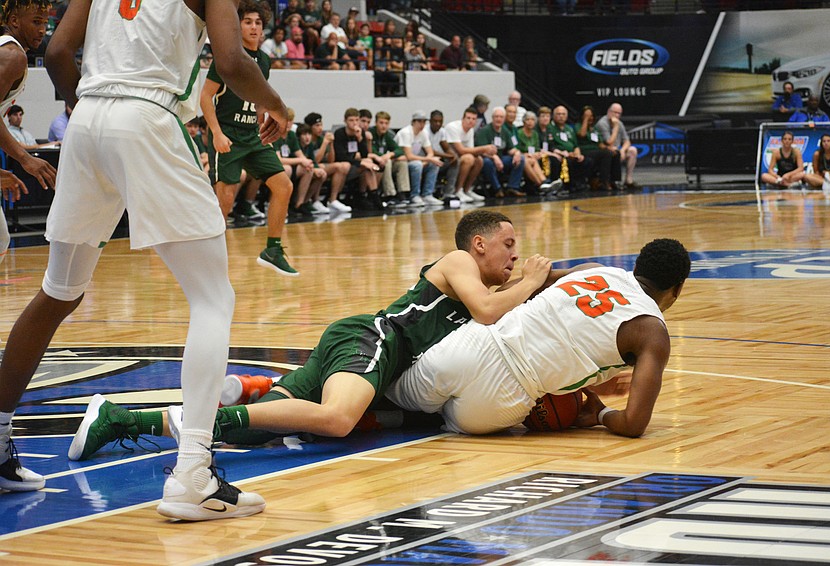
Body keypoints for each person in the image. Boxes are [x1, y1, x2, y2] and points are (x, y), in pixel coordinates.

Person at [0, 0, 289, 519]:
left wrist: (89, 106)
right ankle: (193, 475)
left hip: (86, 118)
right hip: (148, 117)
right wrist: (278, 105)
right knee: (212, 299)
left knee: (58, 291)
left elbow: (59, 50)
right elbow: (230, 61)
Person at [70, 211, 554, 455]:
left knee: (256, 431)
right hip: (372, 340)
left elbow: (538, 288)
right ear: (479, 243)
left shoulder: (498, 286)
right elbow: (489, 310)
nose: (516, 255)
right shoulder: (460, 263)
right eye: (509, 245)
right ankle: (237, 400)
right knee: (338, 418)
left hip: (365, 356)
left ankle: (120, 419)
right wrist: (530, 281)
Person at [387, 238, 691, 438]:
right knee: (435, 424)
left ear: (635, 266)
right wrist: (601, 412)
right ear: (677, 289)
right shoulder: (653, 332)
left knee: (390, 396)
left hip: (473, 346)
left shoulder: (592, 270)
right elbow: (634, 424)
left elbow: (505, 293)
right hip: (505, 398)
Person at [200, 0, 298, 277]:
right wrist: (216, 133)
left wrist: (264, 116)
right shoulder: (228, 56)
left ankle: (273, 250)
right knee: (225, 201)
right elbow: (205, 97)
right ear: (237, 25)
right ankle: (208, 262)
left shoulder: (264, 61)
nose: (254, 27)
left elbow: (257, 97)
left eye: (258, 22)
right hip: (227, 134)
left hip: (252, 135)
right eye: (247, 22)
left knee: (283, 186)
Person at [0, 0, 56, 195]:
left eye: (45, 23)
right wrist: (25, 158)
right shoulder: (13, 56)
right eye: (36, 22)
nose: (42, 30)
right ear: (14, 20)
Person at [333, 107, 383, 210]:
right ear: (345, 121)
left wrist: (360, 138)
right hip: (343, 167)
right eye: (351, 120)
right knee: (357, 164)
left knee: (369, 162)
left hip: (354, 165)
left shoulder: (360, 133)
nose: (354, 123)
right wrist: (360, 163)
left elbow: (365, 155)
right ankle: (335, 198)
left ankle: (373, 196)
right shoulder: (340, 133)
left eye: (356, 120)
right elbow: (341, 157)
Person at [444, 106, 495, 203]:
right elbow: (461, 150)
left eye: (473, 119)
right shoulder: (453, 127)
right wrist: (484, 148)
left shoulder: (470, 130)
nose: (471, 121)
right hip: (448, 158)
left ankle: (467, 190)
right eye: (468, 118)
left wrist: (488, 153)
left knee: (478, 160)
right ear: (463, 119)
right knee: (469, 159)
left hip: (459, 157)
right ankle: (458, 190)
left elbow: (471, 150)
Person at [394, 110, 443, 206]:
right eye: (419, 121)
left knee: (434, 163)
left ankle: (427, 194)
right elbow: (409, 155)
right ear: (413, 122)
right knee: (417, 165)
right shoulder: (406, 133)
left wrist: (427, 161)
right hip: (401, 161)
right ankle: (414, 195)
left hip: (415, 161)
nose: (422, 124)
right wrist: (427, 159)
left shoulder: (423, 133)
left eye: (424, 122)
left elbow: (430, 152)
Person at [304, 111, 350, 213]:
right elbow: (315, 160)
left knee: (343, 166)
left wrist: (331, 144)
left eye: (321, 125)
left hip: (320, 166)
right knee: (320, 167)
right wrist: (325, 143)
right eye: (317, 125)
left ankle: (333, 200)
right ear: (310, 127)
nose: (320, 128)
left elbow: (331, 160)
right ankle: (315, 200)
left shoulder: (321, 138)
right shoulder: (307, 139)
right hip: (309, 167)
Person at [475, 106, 526, 198]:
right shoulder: (485, 131)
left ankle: (512, 187)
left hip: (501, 158)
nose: (499, 119)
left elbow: (511, 148)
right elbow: (481, 151)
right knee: (487, 162)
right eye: (496, 117)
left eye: (501, 117)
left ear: (504, 118)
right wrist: (494, 157)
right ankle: (497, 189)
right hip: (487, 159)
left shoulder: (505, 131)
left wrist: (517, 153)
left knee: (521, 159)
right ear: (492, 118)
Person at [515, 111, 561, 195]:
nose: (530, 122)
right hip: (521, 156)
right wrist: (525, 154)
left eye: (532, 120)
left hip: (532, 156)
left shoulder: (535, 134)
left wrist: (537, 154)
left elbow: (536, 148)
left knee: (536, 159)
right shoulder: (519, 133)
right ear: (524, 121)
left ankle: (545, 182)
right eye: (527, 120)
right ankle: (541, 184)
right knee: (528, 161)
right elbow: (516, 149)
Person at [597, 103, 639, 190]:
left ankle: (628, 180)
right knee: (614, 151)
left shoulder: (619, 123)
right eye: (614, 112)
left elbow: (627, 141)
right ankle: (613, 181)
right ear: (609, 112)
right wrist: (616, 127)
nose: (616, 115)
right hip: (606, 151)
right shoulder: (602, 123)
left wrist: (623, 150)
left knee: (632, 150)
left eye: (618, 113)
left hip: (618, 150)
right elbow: (609, 142)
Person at [576, 105, 618, 191]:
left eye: (591, 116)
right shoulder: (578, 125)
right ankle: (603, 182)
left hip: (596, 151)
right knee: (605, 154)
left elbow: (600, 144)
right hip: (585, 151)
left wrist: (608, 148)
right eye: (587, 115)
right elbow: (582, 134)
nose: (590, 118)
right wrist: (585, 120)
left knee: (614, 153)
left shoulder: (594, 128)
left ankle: (614, 181)